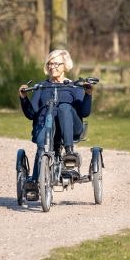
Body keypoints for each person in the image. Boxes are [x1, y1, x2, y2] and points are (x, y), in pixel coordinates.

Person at [18, 49, 93, 182]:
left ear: (65, 65)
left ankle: (69, 152)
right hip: (46, 127)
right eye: (50, 64)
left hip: (71, 128)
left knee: (64, 107)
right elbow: (31, 114)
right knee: (42, 142)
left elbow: (85, 112)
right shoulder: (41, 87)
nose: (52, 67)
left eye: (56, 64)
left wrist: (88, 94)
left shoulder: (74, 87)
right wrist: (24, 98)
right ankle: (36, 180)